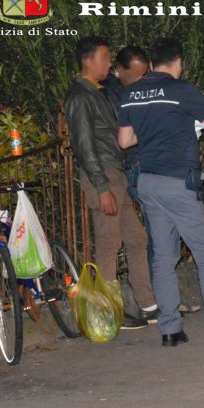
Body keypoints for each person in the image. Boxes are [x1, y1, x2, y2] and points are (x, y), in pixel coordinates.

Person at [117, 38, 204, 347]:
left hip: (148, 182)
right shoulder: (181, 90)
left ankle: (171, 330)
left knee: (163, 258)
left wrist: (154, 132)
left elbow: (124, 141)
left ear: (151, 64)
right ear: (178, 63)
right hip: (178, 181)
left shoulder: (131, 93)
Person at [64, 36, 156, 329]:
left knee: (137, 239)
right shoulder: (80, 95)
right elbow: (83, 146)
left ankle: (148, 305)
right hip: (102, 175)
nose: (109, 64)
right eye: (105, 58)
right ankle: (109, 313)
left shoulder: (96, 91)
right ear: (88, 59)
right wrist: (102, 187)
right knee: (108, 242)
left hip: (114, 173)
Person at [102, 46, 202, 316]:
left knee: (155, 236)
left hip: (145, 166)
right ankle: (160, 302)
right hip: (138, 165)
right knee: (158, 236)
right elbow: (125, 136)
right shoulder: (113, 93)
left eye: (144, 73)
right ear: (118, 70)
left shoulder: (132, 90)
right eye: (136, 74)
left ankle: (159, 301)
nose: (141, 79)